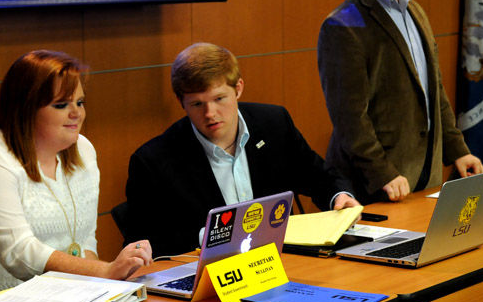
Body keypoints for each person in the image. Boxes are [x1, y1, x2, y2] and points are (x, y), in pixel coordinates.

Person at [0, 50, 152, 302]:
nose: (76, 113)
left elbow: (84, 240)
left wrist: (103, 287)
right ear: (26, 108)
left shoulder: (83, 151)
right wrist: (106, 272)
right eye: (61, 105)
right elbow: (18, 254)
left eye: (80, 102)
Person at [124, 43, 360, 257]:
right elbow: (143, 243)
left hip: (283, 261)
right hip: (207, 272)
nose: (210, 113)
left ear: (238, 89)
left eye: (219, 99)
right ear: (181, 102)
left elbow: (319, 175)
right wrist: (213, 238)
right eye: (197, 104)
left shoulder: (273, 124)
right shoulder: (153, 161)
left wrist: (340, 197)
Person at [317, 0, 483, 205]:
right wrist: (382, 173)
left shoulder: (414, 10)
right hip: (376, 187)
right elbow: (349, 118)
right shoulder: (342, 25)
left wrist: (458, 150)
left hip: (423, 178)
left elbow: (435, 92)